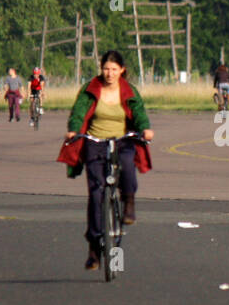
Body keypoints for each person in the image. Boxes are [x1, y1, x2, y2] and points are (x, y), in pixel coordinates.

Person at [57, 51, 155, 271]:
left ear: (122, 70)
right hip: (95, 141)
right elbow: (79, 112)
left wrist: (144, 129)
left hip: (122, 141)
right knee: (96, 192)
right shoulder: (91, 89)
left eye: (114, 69)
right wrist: (73, 131)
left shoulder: (128, 91)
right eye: (106, 69)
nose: (109, 73)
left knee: (128, 167)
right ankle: (94, 247)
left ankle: (128, 204)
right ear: (101, 69)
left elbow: (139, 112)